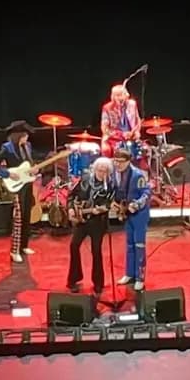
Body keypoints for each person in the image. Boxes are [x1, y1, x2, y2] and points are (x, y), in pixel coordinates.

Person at [66, 157, 116, 295]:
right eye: (100, 170)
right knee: (74, 245)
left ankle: (98, 283)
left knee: (96, 251)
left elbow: (109, 203)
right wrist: (70, 209)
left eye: (105, 171)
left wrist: (102, 209)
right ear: (95, 169)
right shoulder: (85, 179)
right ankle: (74, 279)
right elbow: (71, 196)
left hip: (97, 222)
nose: (102, 173)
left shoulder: (110, 185)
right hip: (81, 220)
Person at [0, 120, 38, 263]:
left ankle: (24, 246)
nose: (27, 138)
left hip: (27, 183)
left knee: (26, 214)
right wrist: (8, 174)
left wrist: (35, 168)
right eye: (25, 135)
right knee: (18, 217)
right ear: (18, 136)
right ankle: (14, 251)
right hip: (15, 184)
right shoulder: (7, 148)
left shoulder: (27, 146)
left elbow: (29, 163)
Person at [111, 148, 151, 291]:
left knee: (139, 245)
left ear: (128, 161)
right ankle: (129, 273)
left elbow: (146, 193)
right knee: (129, 245)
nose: (118, 165)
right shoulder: (116, 173)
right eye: (116, 161)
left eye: (121, 162)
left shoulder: (137, 175)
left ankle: (140, 277)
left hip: (139, 214)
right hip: (127, 212)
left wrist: (136, 205)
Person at [100, 84, 141, 158]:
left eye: (122, 95)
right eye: (118, 95)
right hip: (113, 138)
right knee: (106, 150)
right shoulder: (107, 108)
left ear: (126, 95)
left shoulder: (132, 104)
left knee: (145, 151)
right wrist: (121, 134)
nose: (120, 98)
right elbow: (104, 128)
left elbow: (138, 120)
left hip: (131, 137)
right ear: (113, 97)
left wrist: (137, 131)